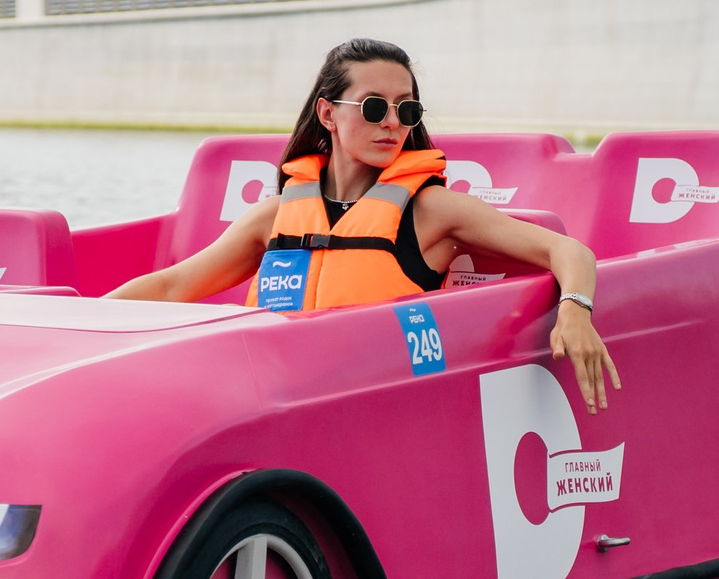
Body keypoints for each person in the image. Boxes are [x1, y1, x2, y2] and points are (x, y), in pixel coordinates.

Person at [108, 38, 620, 410]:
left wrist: (575, 310)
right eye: (375, 107)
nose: (393, 122)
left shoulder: (433, 211)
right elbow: (173, 285)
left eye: (407, 109)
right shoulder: (275, 216)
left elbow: (569, 252)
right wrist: (77, 328)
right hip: (268, 398)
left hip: (368, 402)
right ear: (328, 114)